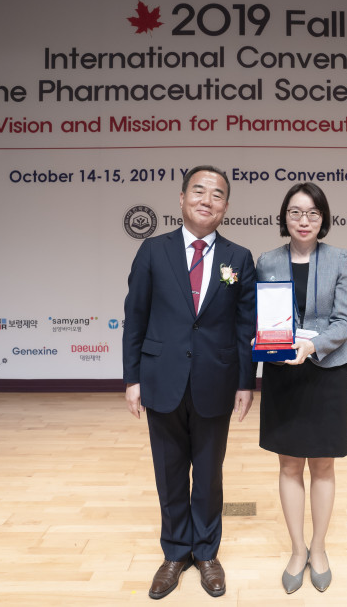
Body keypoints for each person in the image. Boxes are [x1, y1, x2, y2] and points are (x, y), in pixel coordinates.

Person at [123, 166, 257, 600]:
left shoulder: (239, 258)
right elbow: (135, 318)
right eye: (198, 191)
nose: (206, 200)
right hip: (161, 378)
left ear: (226, 207)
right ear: (181, 199)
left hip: (216, 380)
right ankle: (175, 552)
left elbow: (245, 326)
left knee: (210, 473)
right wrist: (132, 378)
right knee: (169, 473)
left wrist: (246, 382)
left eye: (217, 194)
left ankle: (206, 553)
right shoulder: (152, 251)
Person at [255, 182, 347, 594]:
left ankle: (319, 548)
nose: (304, 220)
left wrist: (312, 346)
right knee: (289, 465)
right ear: (284, 217)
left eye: (313, 213)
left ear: (323, 219)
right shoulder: (267, 261)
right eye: (296, 212)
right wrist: (262, 338)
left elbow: (343, 321)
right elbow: (261, 315)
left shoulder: (341, 259)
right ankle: (297, 549)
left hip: (326, 370)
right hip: (283, 372)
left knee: (324, 465)